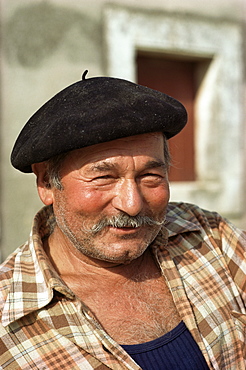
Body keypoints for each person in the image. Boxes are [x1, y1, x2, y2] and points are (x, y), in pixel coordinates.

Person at [0, 71, 245, 370]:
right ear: (46, 184)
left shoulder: (210, 236)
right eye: (104, 177)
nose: (132, 204)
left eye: (150, 176)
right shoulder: (8, 315)